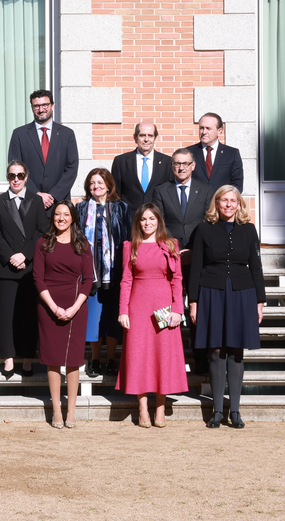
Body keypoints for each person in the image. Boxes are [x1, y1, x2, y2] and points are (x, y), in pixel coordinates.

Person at [189, 185, 265, 430]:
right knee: (215, 350)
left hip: (243, 293)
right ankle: (217, 411)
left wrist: (260, 302)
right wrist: (193, 301)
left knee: (236, 350)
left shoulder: (249, 230)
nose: (229, 205)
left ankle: (235, 410)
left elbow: (256, 266)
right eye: (224, 200)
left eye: (233, 200)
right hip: (211, 291)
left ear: (239, 204)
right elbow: (196, 267)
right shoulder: (203, 229)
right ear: (217, 204)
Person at [116, 203, 188, 428]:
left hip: (164, 307)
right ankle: (142, 407)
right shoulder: (131, 246)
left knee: (162, 355)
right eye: (143, 219)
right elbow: (126, 280)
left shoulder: (170, 244)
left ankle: (160, 407)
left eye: (152, 219)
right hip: (138, 307)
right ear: (138, 222)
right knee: (139, 356)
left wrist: (178, 309)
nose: (147, 223)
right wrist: (123, 310)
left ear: (159, 221)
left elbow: (177, 280)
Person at [152, 147, 215, 374]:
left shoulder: (207, 191)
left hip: (198, 259)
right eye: (177, 163)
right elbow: (158, 223)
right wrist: (174, 250)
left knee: (197, 308)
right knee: (167, 306)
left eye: (185, 163)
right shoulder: (161, 191)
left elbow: (209, 224)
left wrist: (193, 251)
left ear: (193, 166)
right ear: (172, 166)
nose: (181, 167)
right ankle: (167, 356)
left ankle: (200, 357)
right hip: (168, 258)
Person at [33, 200, 94, 429]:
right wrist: (53, 307)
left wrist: (74, 308)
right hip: (49, 306)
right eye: (57, 214)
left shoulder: (83, 245)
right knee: (53, 360)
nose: (61, 218)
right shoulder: (43, 243)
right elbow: (38, 278)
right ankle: (56, 410)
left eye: (66, 214)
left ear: (73, 218)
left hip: (76, 306)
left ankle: (72, 412)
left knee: (73, 361)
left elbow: (88, 280)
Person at [0, 160, 48, 379]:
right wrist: (10, 256)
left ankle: (26, 357)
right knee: (5, 316)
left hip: (30, 266)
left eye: (20, 175)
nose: (16, 179)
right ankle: (8, 357)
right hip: (6, 267)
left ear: (26, 177)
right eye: (11, 175)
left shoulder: (35, 200)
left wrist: (25, 254)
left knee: (27, 315)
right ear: (7, 177)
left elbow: (42, 232)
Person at [76, 168, 131, 378]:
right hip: (90, 272)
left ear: (108, 184)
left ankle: (111, 359)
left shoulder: (120, 208)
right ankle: (95, 358)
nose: (96, 187)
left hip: (114, 271)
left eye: (100, 182)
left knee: (111, 316)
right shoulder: (81, 208)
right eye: (92, 183)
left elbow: (126, 238)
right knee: (94, 317)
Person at [6, 89, 79, 209]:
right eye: (37, 106)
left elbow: (72, 168)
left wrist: (53, 195)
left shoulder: (67, 134)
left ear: (52, 105)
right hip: (28, 202)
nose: (41, 110)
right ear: (32, 108)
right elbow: (15, 168)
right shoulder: (19, 134)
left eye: (45, 105)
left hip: (58, 203)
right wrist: (36, 194)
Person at [110, 121, 171, 208]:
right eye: (142, 135)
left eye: (150, 136)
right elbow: (115, 193)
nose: (146, 139)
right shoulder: (120, 162)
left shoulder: (167, 162)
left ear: (155, 138)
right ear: (135, 137)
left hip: (157, 218)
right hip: (129, 219)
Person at [190, 112, 244, 193]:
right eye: (201, 128)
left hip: (221, 203)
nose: (204, 132)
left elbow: (237, 184)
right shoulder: (188, 153)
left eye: (208, 128)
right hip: (196, 204)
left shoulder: (232, 153)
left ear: (219, 131)